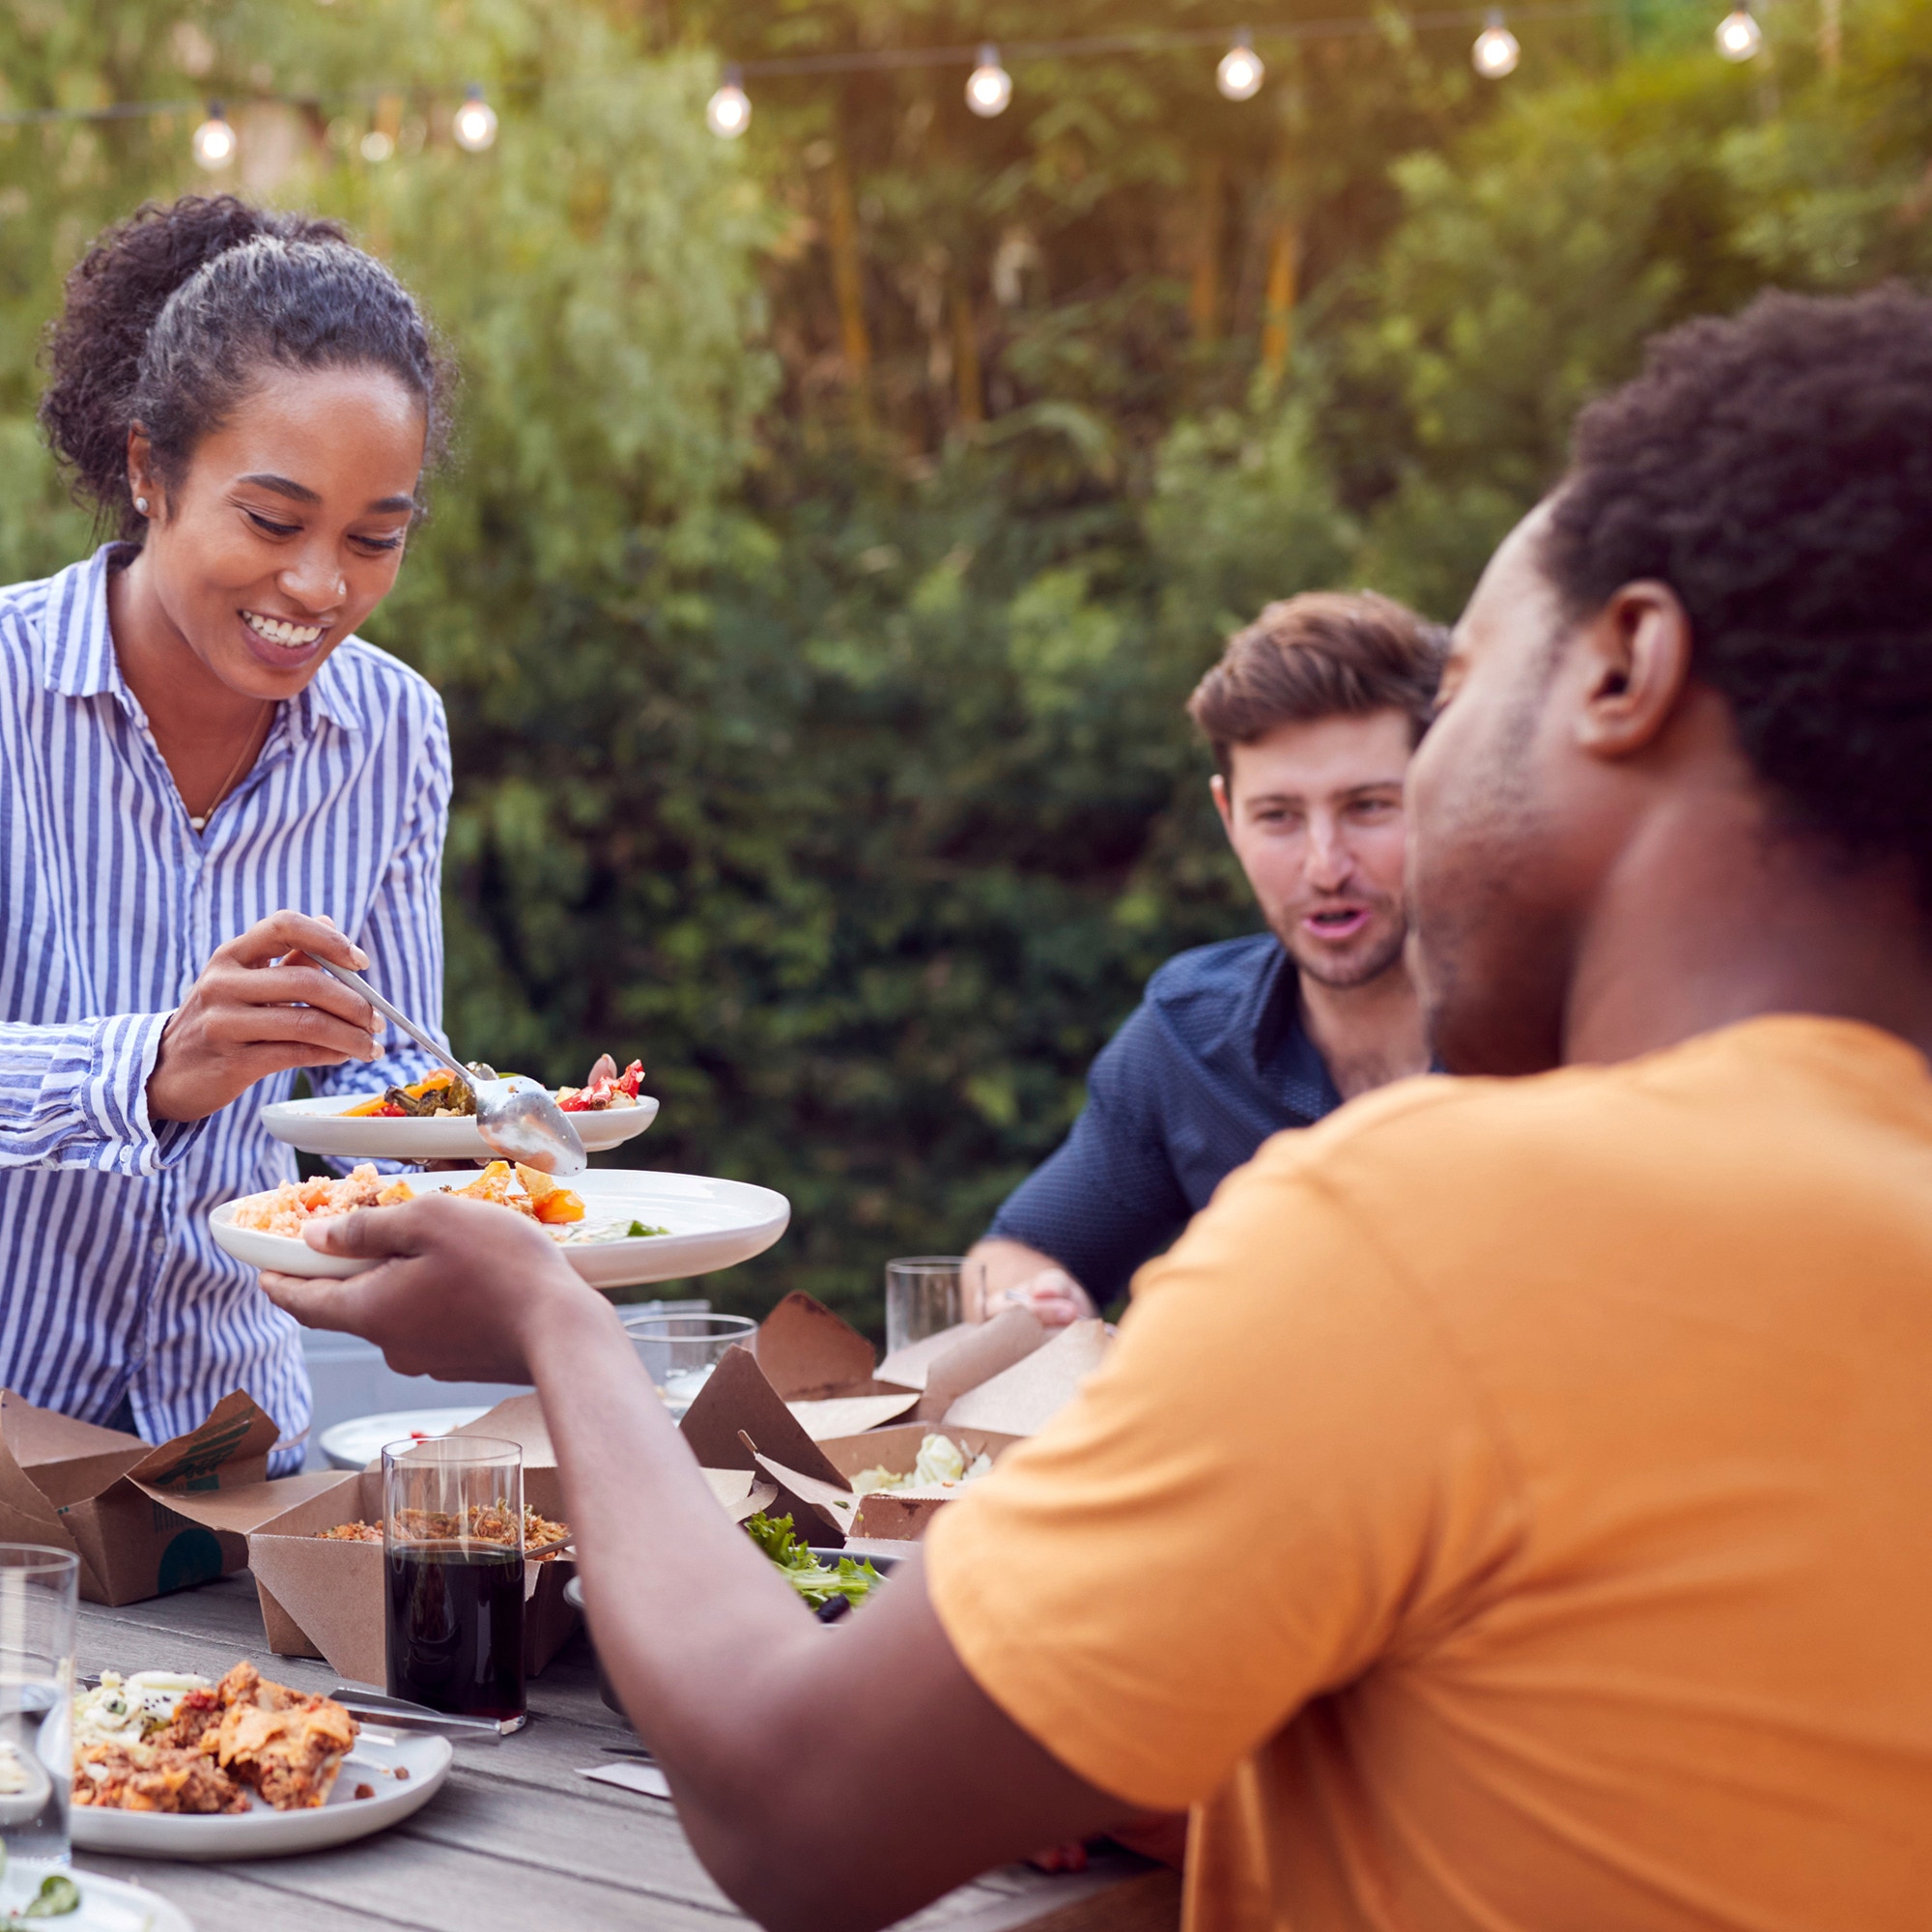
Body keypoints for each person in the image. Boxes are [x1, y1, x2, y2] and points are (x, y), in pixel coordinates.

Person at [265, 283, 1932, 1932]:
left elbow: (795, 1808)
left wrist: (560, 1323)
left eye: (1467, 689)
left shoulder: (1440, 1221)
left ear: (1627, 666)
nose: (1376, 832)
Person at [0, 196, 454, 1474]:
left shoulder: (394, 733)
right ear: (148, 469)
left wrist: (481, 1144)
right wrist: (153, 1070)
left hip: (233, 1457)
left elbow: (387, 1090)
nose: (320, 588)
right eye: (272, 521)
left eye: (376, 539)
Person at [970, 593, 1443, 1324]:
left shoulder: (1563, 1036)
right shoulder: (1189, 1035)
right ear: (1229, 818)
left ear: (1445, 794)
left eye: (1369, 807)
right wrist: (1029, 1302)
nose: (1325, 866)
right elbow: (1012, 1254)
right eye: (1278, 817)